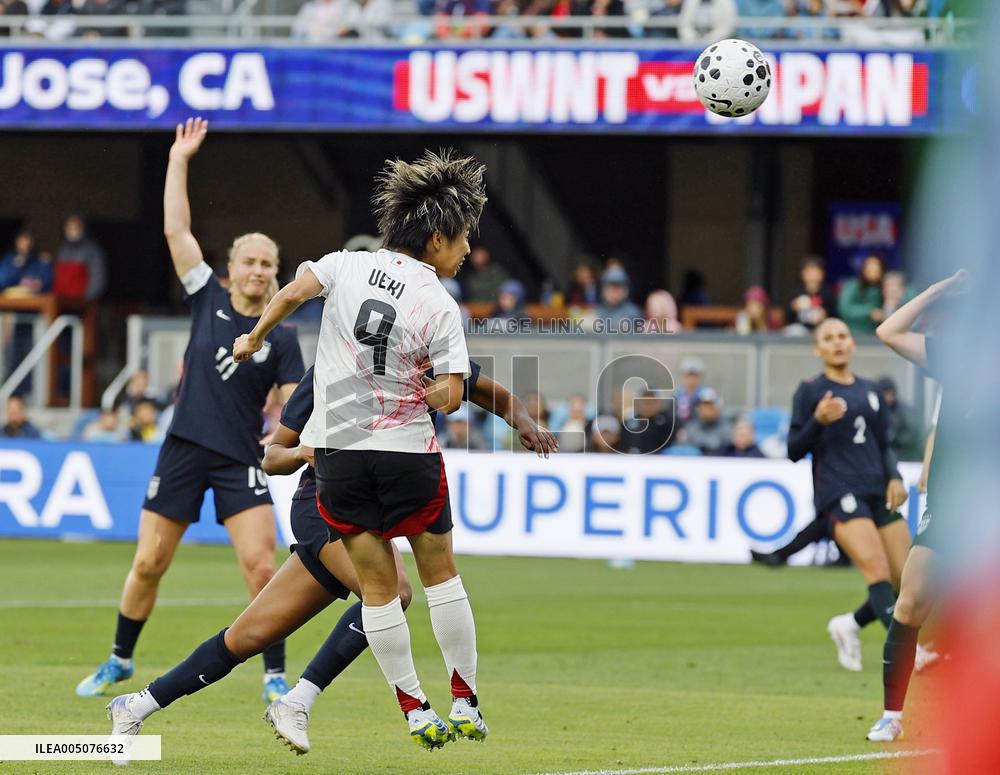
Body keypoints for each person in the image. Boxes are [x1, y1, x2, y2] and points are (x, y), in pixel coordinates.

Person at [106, 362, 556, 756]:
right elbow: (273, 455)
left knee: (247, 637)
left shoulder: (426, 352)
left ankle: (136, 705)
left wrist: (523, 422)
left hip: (371, 513)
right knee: (393, 593)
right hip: (321, 506)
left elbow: (492, 394)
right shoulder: (327, 369)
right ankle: (302, 700)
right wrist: (305, 450)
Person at [229, 147, 490, 749]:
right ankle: (465, 700)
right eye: (464, 238)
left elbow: (293, 292)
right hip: (405, 453)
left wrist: (254, 337)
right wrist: (435, 389)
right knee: (440, 578)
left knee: (377, 589)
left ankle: (414, 708)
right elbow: (451, 394)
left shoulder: (345, 264)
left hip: (339, 455)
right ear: (438, 237)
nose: (467, 251)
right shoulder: (438, 305)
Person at [76, 118, 305, 704]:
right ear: (231, 267)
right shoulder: (205, 294)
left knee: (261, 569)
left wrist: (293, 445)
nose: (258, 270)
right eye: (250, 260)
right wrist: (179, 159)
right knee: (150, 561)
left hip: (239, 460)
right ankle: (119, 660)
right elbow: (176, 228)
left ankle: (274, 674)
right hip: (182, 449)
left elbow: (289, 402)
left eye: (268, 264)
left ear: (276, 275)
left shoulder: (281, 335)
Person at [866, 270, 969, 743]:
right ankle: (892, 717)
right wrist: (938, 291)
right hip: (950, 508)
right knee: (910, 604)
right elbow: (889, 331)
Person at [787, 317, 911, 673]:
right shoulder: (811, 391)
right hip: (838, 491)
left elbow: (884, 443)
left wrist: (895, 477)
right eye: (828, 338)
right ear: (818, 349)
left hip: (877, 489)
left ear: (852, 344)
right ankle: (908, 653)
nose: (838, 342)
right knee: (878, 571)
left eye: (843, 335)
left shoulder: (871, 390)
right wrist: (818, 421)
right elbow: (793, 449)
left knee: (907, 581)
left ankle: (849, 625)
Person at [55, 214, 108, 301]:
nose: (72, 231)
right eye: (69, 228)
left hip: (82, 302)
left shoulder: (92, 249)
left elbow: (98, 277)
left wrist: (86, 298)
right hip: (61, 301)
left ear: (83, 229)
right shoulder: (63, 249)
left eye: (76, 228)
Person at [877, 376, 923, 461]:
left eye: (890, 393)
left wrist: (893, 437)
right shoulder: (878, 410)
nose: (888, 397)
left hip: (906, 457)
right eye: (885, 393)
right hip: (886, 458)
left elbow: (913, 434)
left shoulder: (906, 411)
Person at [837, 254, 886, 335]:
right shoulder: (853, 285)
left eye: (876, 270)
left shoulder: (884, 287)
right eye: (869, 270)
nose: (872, 274)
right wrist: (870, 312)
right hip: (854, 332)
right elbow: (844, 309)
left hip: (878, 335)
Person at [786, 256, 836, 333]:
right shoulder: (796, 292)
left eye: (815, 272)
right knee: (793, 330)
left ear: (822, 274)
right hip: (801, 327)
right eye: (809, 272)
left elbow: (835, 314)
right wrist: (793, 308)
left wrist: (825, 315)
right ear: (802, 274)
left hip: (822, 327)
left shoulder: (828, 293)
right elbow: (787, 317)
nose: (812, 275)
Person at [620, 389, 674, 454]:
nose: (648, 405)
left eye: (651, 402)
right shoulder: (629, 423)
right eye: (645, 401)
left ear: (659, 403)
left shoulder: (668, 423)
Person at [681, 388, 730, 455]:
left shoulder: (727, 426)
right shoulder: (691, 426)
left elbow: (723, 446)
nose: (706, 409)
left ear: (718, 408)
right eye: (703, 406)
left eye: (710, 406)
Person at [675, 355, 706, 423]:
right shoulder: (677, 394)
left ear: (700, 376)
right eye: (688, 375)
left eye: (695, 376)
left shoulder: (707, 395)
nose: (691, 380)